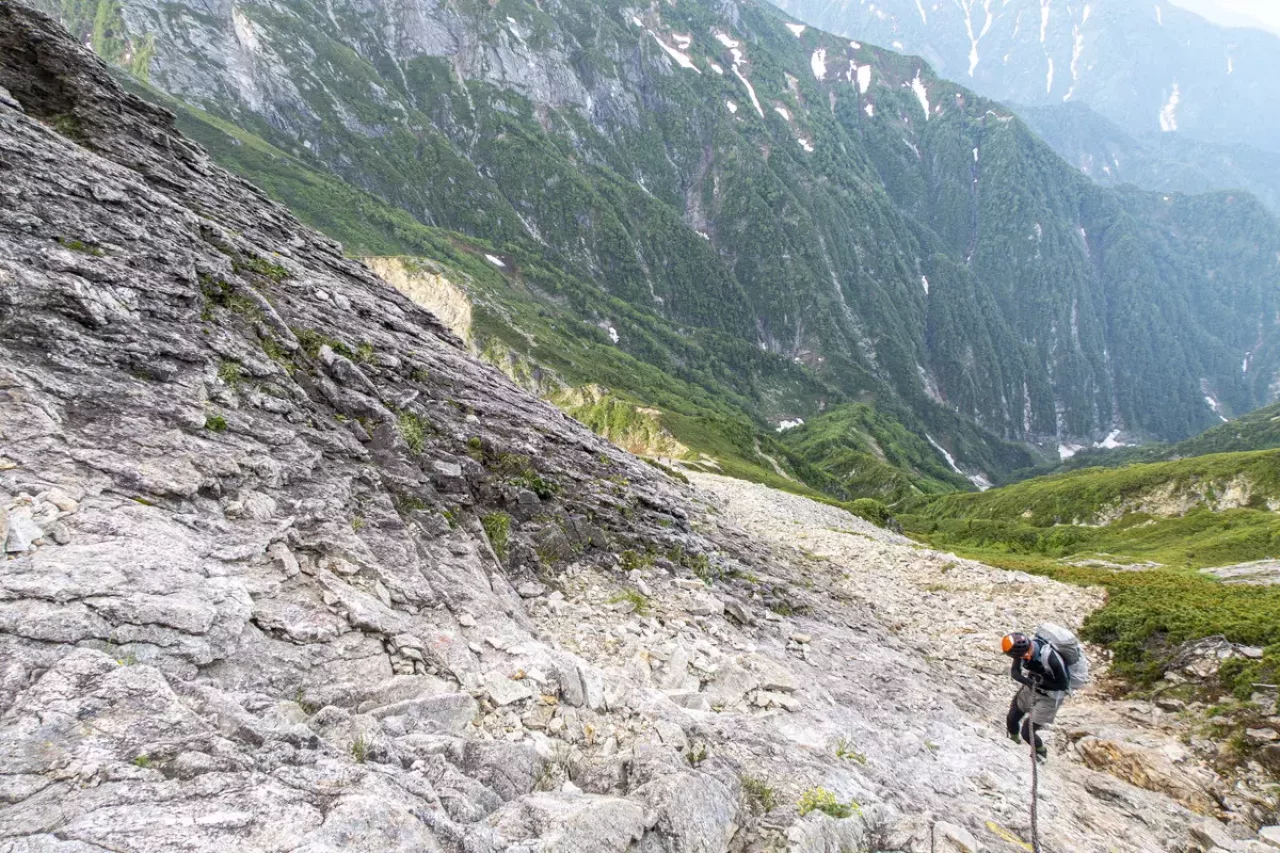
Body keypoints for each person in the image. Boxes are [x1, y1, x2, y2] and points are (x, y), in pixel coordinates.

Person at [1002, 632, 1070, 760]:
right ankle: (1013, 743)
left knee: (1027, 732)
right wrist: (1029, 682)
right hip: (1032, 688)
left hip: (1050, 697)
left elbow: (1063, 685)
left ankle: (1041, 752)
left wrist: (1041, 682)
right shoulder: (1021, 651)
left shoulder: (1052, 659)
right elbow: (1015, 672)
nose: (1018, 659)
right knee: (1011, 718)